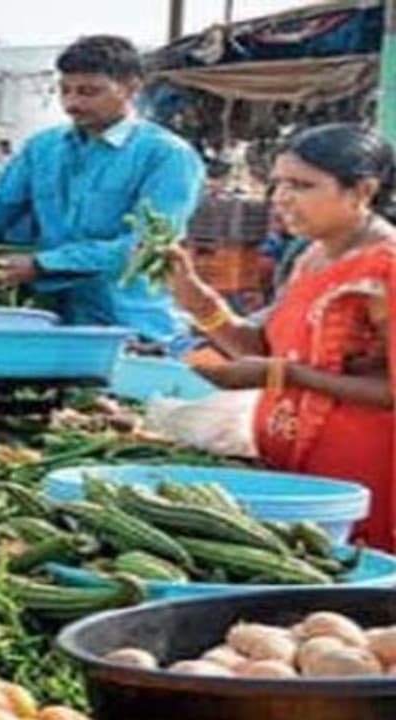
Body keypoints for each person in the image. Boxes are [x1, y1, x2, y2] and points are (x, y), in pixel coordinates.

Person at [169, 124, 396, 550]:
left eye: (302, 185)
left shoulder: (385, 268)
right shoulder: (312, 255)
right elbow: (265, 348)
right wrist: (199, 301)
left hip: (368, 474)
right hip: (297, 466)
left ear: (362, 190)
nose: (281, 198)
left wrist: (283, 375)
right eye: (278, 184)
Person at [0, 35, 205, 346]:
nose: (72, 104)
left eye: (89, 92)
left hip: (131, 327)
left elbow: (148, 246)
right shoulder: (43, 148)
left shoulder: (167, 156)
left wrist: (44, 264)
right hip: (48, 319)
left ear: (132, 87)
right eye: (65, 91)